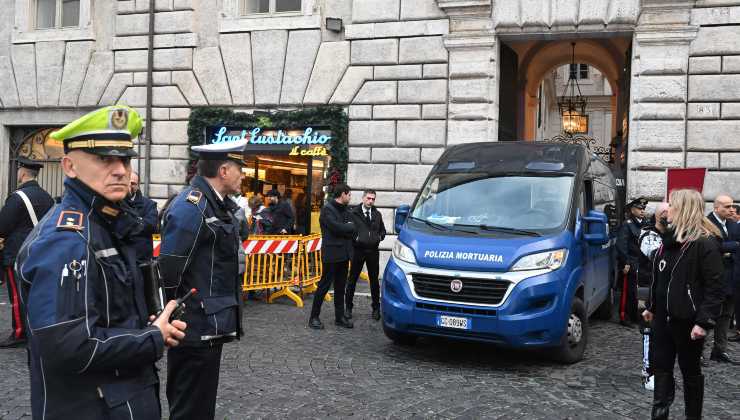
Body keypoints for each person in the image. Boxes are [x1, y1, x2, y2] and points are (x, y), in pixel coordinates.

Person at [15, 106, 186, 419]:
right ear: (69, 167)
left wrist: (149, 324)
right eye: (104, 159)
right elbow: (68, 347)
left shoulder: (107, 224)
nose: (121, 169)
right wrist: (152, 337)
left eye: (125, 159)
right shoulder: (65, 240)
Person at [158, 138, 247, 420]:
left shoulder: (217, 204)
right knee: (189, 408)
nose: (243, 175)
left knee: (201, 406)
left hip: (210, 324)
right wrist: (174, 314)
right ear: (223, 171)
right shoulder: (191, 206)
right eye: (239, 169)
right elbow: (170, 271)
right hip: (194, 326)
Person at [642, 189, 725, 420]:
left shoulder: (704, 244)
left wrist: (703, 322)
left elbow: (715, 288)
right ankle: (659, 415)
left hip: (688, 323)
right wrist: (651, 306)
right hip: (662, 321)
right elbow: (660, 279)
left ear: (684, 209)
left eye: (672, 205)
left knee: (690, 374)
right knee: (661, 369)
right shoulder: (667, 242)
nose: (667, 209)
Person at [0, 157, 54, 348]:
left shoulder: (17, 197)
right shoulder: (46, 197)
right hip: (40, 251)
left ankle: (20, 332)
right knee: (36, 294)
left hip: (17, 253)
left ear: (22, 172)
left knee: (17, 295)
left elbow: (3, 226)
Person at [308, 184, 356, 330]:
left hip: (344, 254)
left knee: (341, 287)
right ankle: (314, 317)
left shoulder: (346, 210)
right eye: (349, 195)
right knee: (323, 286)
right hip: (332, 254)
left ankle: (339, 317)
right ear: (343, 194)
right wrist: (347, 227)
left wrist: (347, 227)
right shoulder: (327, 210)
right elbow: (337, 228)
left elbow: (353, 228)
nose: (350, 197)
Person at [705, 194, 739, 364]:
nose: (731, 209)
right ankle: (699, 352)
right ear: (716, 208)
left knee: (726, 316)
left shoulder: (733, 224)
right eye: (726, 206)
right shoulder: (707, 223)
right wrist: (733, 246)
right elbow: (713, 246)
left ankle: (719, 350)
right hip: (714, 278)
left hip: (732, 278)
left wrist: (727, 249)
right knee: (708, 316)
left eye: (731, 206)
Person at [345, 190, 386, 321]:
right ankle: (348, 308)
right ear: (363, 198)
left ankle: (375, 308)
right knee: (352, 280)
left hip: (373, 251)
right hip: (358, 251)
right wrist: (356, 238)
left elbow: (383, 230)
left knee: (374, 282)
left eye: (373, 199)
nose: (371, 201)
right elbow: (348, 230)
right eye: (368, 198)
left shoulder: (377, 214)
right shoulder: (353, 213)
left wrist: (379, 237)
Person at [617, 197, 650, 327]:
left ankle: (635, 315)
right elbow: (621, 245)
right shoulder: (627, 224)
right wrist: (625, 262)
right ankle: (624, 316)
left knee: (637, 292)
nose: (642, 211)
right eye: (639, 208)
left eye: (644, 209)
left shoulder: (645, 223)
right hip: (630, 262)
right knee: (628, 291)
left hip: (642, 263)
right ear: (632, 209)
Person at [127, 171, 159, 264]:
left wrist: (156, 256)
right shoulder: (116, 203)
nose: (130, 186)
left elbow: (155, 231)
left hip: (142, 260)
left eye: (133, 184)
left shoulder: (149, 205)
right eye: (127, 183)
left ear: (138, 186)